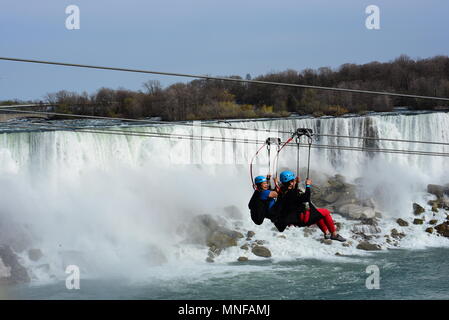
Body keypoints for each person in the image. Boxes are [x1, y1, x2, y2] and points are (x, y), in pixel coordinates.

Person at [274, 170, 346, 242]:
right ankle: (334, 234)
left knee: (318, 215)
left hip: (295, 217)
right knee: (326, 212)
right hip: (303, 218)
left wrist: (296, 184)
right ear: (290, 182)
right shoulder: (292, 193)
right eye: (293, 180)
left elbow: (291, 193)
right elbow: (306, 198)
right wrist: (308, 185)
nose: (294, 181)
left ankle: (326, 233)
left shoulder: (282, 191)